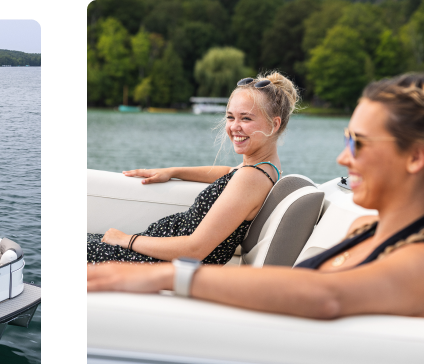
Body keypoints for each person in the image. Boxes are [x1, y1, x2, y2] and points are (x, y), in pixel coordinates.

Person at [87, 73, 424, 320]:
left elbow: (325, 296)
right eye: (347, 140)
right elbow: (233, 174)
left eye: (359, 143)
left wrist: (168, 277)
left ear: (415, 158)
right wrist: (174, 170)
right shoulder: (367, 229)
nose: (343, 158)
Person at [87, 71, 298, 266]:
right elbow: (228, 173)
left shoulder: (251, 177)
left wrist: (126, 239)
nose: (234, 127)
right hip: (155, 252)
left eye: (246, 118)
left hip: (158, 262)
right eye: (230, 117)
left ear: (274, 124)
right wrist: (174, 171)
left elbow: (194, 249)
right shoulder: (264, 168)